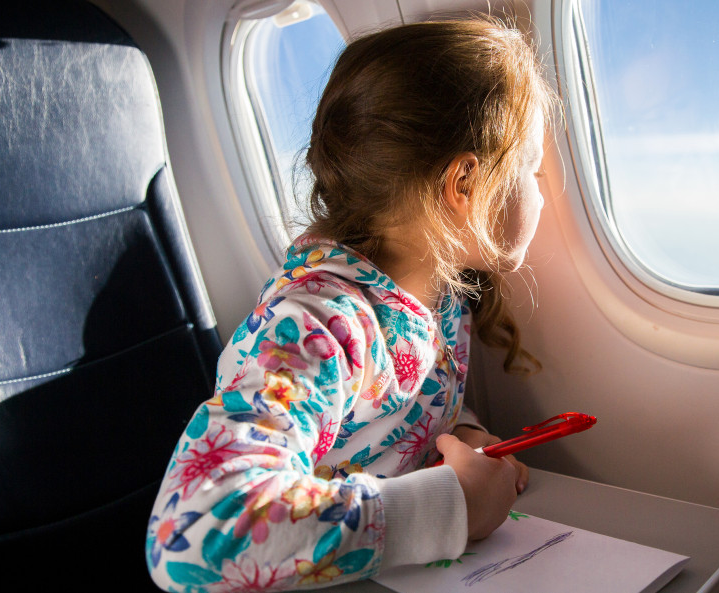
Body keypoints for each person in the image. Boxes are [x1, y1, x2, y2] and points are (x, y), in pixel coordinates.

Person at [147, 17, 557, 591]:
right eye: (533, 169)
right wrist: (448, 508)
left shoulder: (437, 301)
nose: (543, 189)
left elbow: (388, 420)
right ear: (465, 183)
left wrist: (459, 437)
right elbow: (193, 534)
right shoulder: (318, 327)